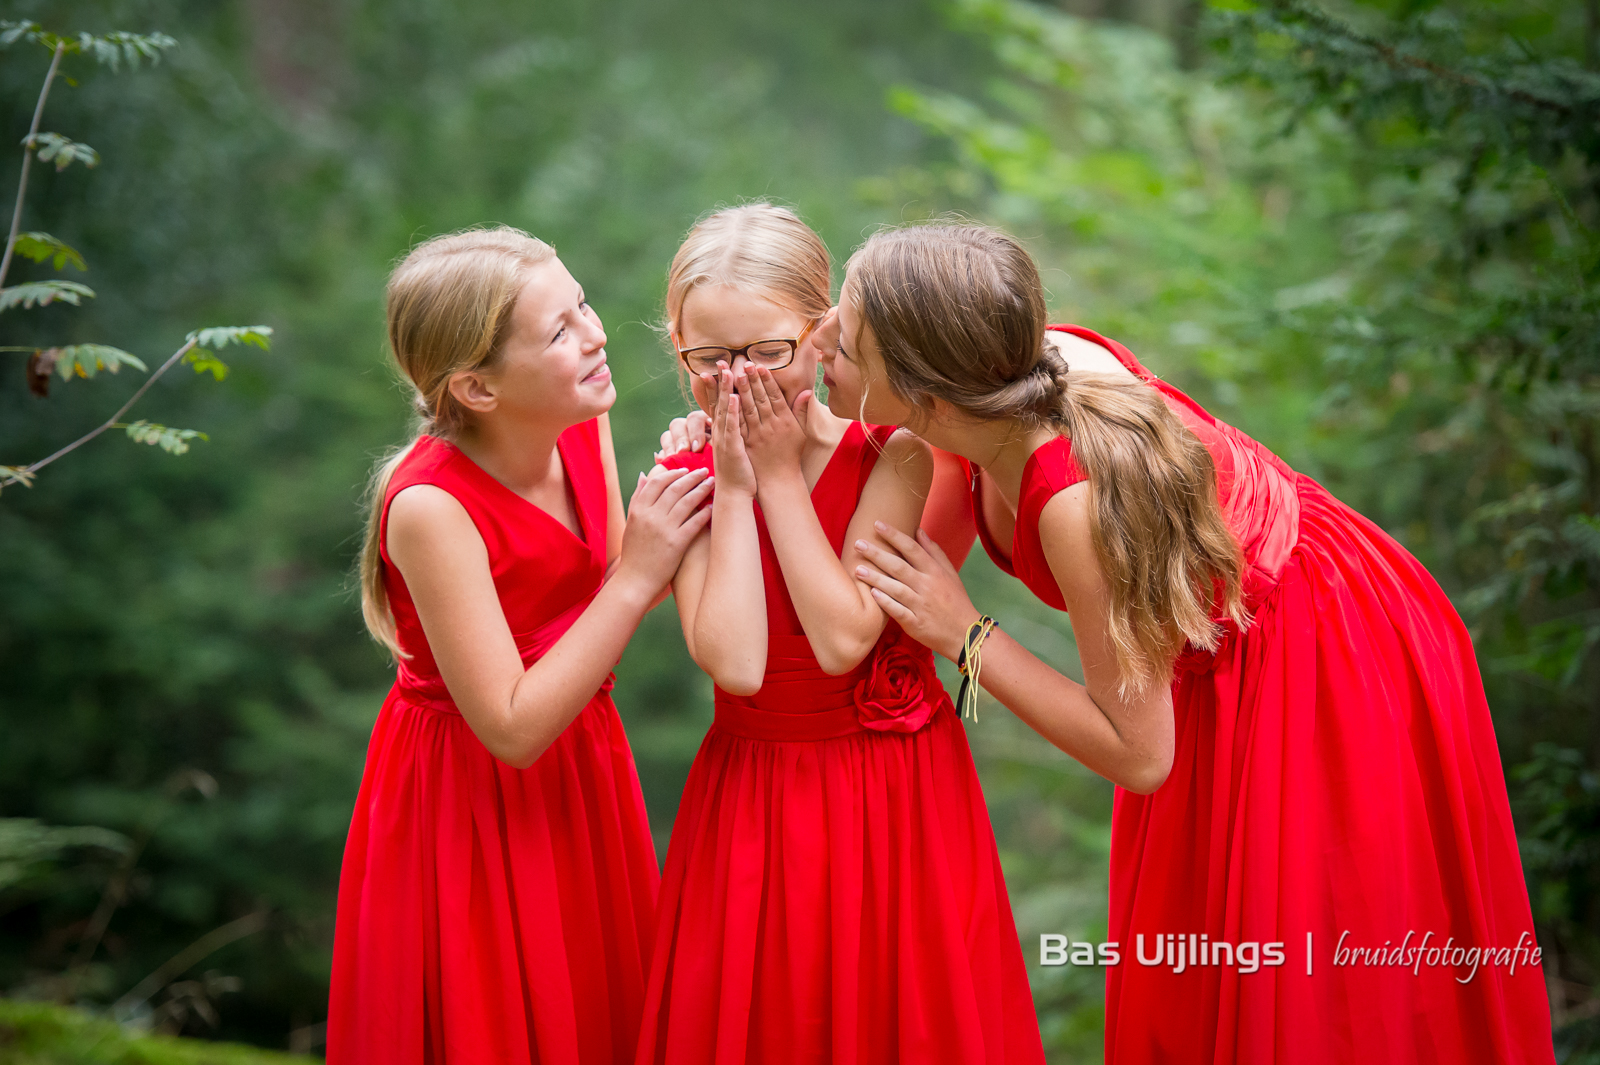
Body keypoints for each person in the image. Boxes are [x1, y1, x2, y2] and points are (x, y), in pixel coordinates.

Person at [830, 221, 1554, 1064]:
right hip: (1243, 655)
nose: (823, 346)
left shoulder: (1073, 501)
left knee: (1323, 993)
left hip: (1322, 663)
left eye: (843, 341)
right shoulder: (1012, 368)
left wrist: (965, 633)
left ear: (928, 398)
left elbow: (1138, 755)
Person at [639, 204, 1043, 1065]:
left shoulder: (893, 455)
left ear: (821, 334)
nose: (739, 379)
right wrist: (735, 483)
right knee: (768, 1016)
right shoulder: (685, 480)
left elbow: (840, 639)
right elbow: (737, 660)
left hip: (889, 787)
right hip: (754, 792)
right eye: (710, 359)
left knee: (902, 1014)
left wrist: (779, 477)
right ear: (679, 350)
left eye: (766, 352)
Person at [328, 227, 713, 1065]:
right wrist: (641, 571)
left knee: (594, 1012)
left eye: (581, 304)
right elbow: (509, 724)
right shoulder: (429, 507)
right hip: (469, 797)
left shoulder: (578, 421)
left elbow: (607, 591)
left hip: (582, 762)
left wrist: (695, 493)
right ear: (476, 386)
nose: (596, 332)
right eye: (559, 331)